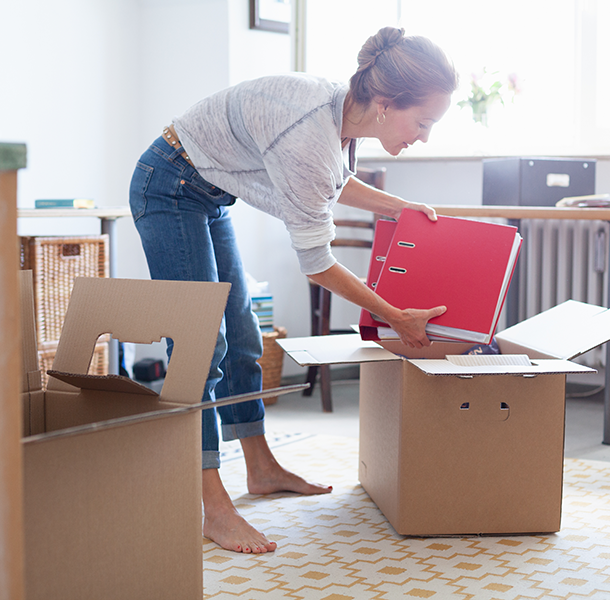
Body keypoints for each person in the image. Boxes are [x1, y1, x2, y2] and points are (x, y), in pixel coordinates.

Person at [128, 26, 458, 554]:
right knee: (198, 348)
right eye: (422, 122)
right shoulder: (309, 132)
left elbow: (332, 181)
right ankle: (213, 507)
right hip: (168, 186)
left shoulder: (339, 116)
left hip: (208, 191)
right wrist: (395, 314)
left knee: (242, 337)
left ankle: (260, 468)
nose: (424, 136)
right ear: (384, 103)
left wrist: (399, 208)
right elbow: (318, 263)